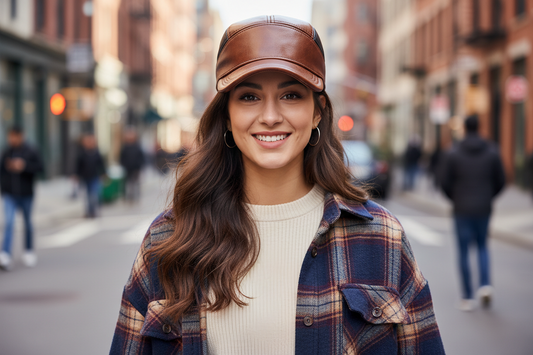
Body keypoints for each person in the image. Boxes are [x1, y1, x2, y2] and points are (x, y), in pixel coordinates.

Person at [110, 16, 445, 354]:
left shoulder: (381, 238)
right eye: (249, 97)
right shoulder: (169, 239)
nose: (270, 116)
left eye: (290, 95)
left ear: (317, 112)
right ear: (227, 115)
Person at [440, 115, 505, 311]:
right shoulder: (492, 151)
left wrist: (455, 198)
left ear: (464, 129)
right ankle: (485, 285)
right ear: (480, 127)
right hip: (484, 207)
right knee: (483, 245)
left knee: (463, 250)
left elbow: (445, 183)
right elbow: (501, 180)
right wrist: (488, 196)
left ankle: (467, 296)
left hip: (461, 208)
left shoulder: (453, 152)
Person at [0, 126, 43, 270]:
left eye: (15, 136)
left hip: (26, 194)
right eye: (10, 136)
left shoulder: (31, 150)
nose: (12, 139)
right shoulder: (7, 152)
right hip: (10, 194)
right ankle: (5, 254)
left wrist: (24, 166)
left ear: (21, 136)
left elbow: (41, 168)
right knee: (9, 223)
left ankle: (29, 250)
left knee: (27, 223)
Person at [75, 133, 105, 218]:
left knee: (93, 194)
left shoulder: (96, 153)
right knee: (87, 195)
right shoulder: (82, 153)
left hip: (94, 176)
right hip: (85, 177)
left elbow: (101, 164)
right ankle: (89, 211)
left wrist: (103, 174)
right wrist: (76, 175)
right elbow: (78, 165)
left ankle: (93, 211)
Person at [120, 129, 145, 202]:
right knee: (129, 184)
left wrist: (139, 166)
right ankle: (130, 196)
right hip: (128, 169)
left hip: (136, 169)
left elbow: (141, 158)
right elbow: (122, 158)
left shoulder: (137, 146)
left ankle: (136, 197)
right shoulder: (125, 147)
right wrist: (124, 165)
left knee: (136, 183)